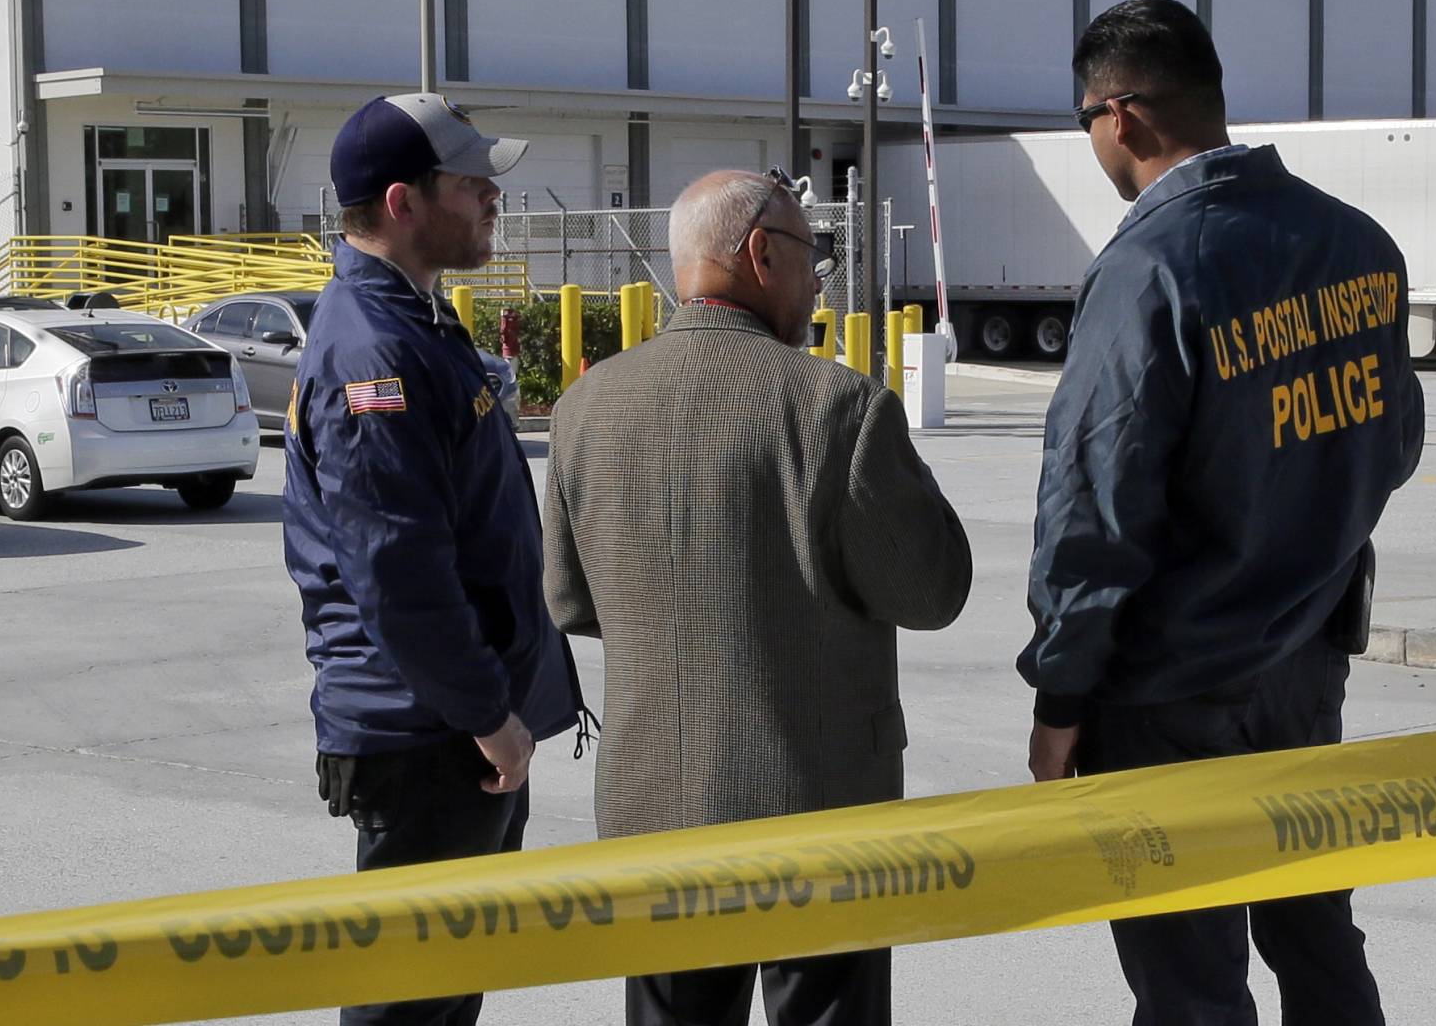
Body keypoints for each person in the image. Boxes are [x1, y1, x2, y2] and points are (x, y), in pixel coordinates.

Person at [1022, 0, 1422, 1026]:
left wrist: (1061, 693)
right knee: (1317, 938)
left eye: (1083, 122)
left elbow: (1093, 502)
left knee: (1188, 979)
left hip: (1169, 688)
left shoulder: (1148, 263)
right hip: (1303, 668)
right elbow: (1394, 444)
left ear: (1121, 115)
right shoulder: (1356, 243)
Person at [543, 168, 972, 1026]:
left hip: (654, 816)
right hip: (821, 821)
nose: (822, 280)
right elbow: (934, 590)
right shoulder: (836, 407)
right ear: (760, 253)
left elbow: (568, 600)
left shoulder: (585, 408)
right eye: (816, 257)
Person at [283, 94, 584, 1026]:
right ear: (404, 201)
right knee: (406, 1008)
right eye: (472, 182)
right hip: (432, 739)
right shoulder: (375, 348)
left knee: (445, 997)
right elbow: (398, 572)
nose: (495, 195)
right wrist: (488, 715)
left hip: (461, 725)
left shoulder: (415, 318)